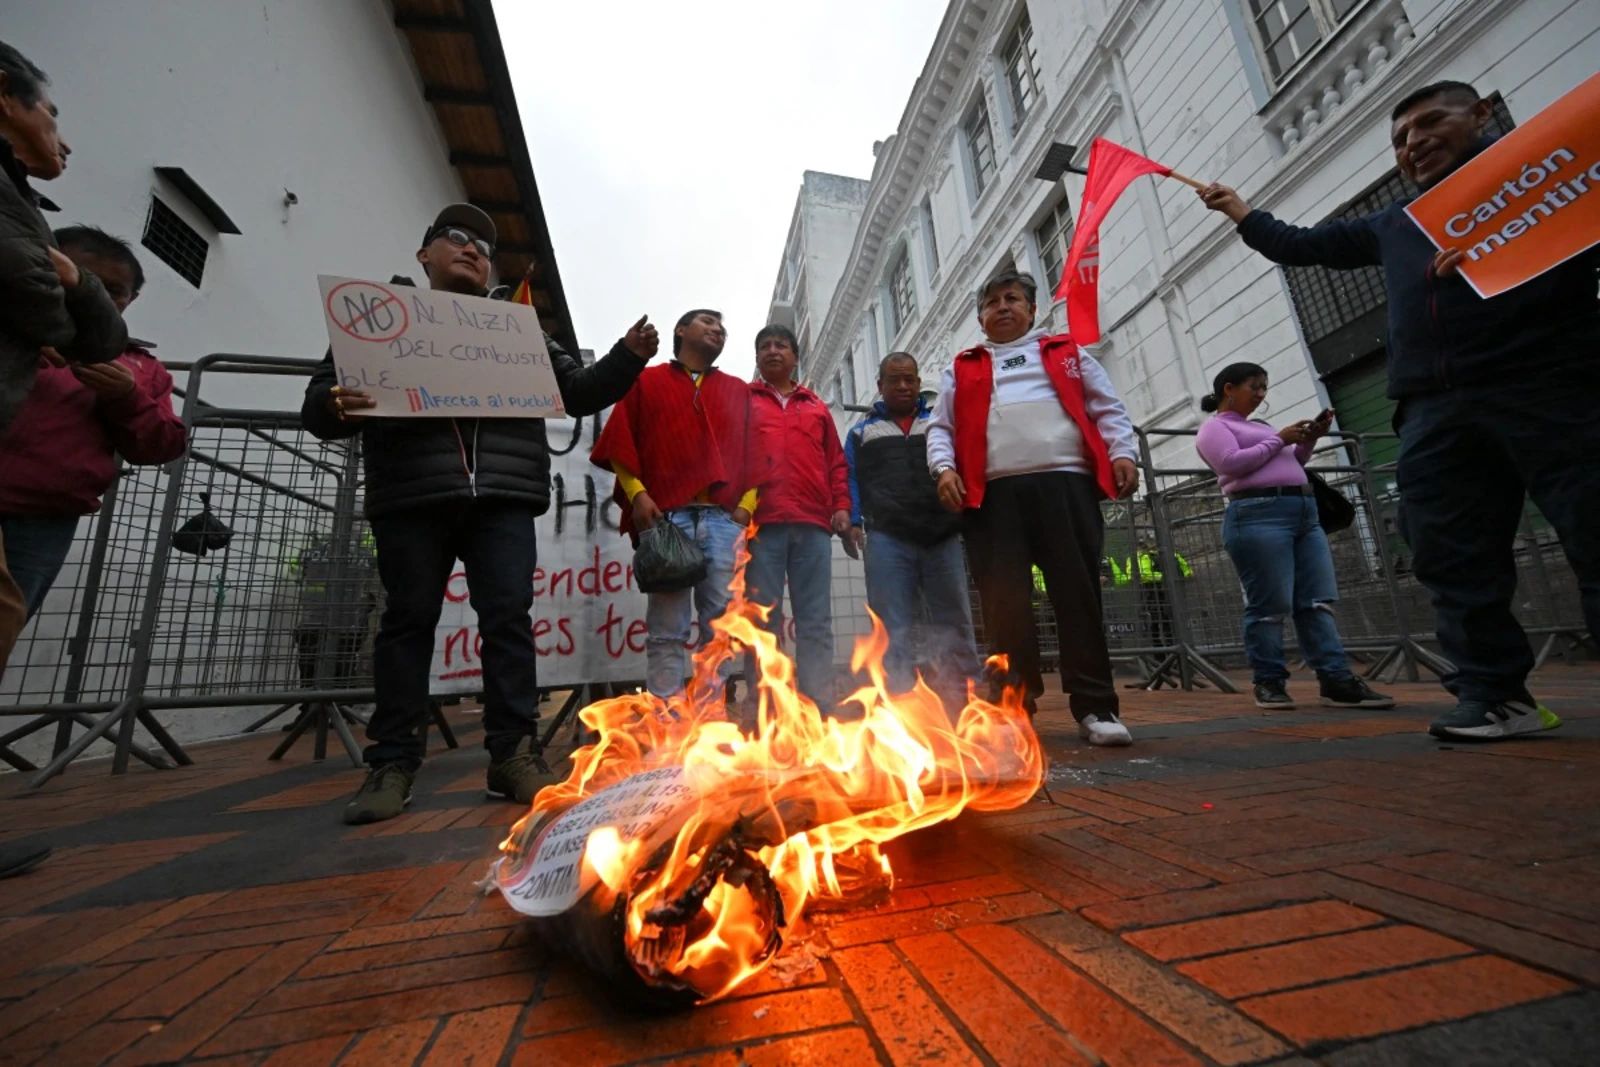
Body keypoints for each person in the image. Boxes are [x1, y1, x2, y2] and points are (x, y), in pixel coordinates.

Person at [1198, 79, 1594, 741]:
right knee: (1448, 550)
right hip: (1435, 408)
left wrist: (1505, 246)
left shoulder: (1548, 182)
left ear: (1483, 113)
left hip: (1551, 387)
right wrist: (1241, 212)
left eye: (1430, 123)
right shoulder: (1399, 225)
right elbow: (1305, 246)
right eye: (1401, 140)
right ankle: (1496, 695)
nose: (1414, 145)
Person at [302, 203, 653, 823]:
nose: (473, 250)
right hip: (412, 496)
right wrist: (335, 404)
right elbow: (319, 405)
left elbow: (577, 392)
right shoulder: (378, 318)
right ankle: (392, 763)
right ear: (424, 256)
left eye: (484, 246)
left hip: (502, 497)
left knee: (508, 623)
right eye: (456, 238)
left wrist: (626, 356)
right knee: (407, 624)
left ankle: (514, 754)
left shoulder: (519, 327)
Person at [926, 270, 1137, 746]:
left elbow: (1109, 409)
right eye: (991, 302)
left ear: (1032, 309)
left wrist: (1123, 453)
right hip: (993, 497)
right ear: (980, 317)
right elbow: (941, 428)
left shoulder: (1069, 355)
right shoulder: (961, 366)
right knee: (1004, 607)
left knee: (1078, 597)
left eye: (1012, 299)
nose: (1002, 307)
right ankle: (1012, 710)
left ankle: (1096, 706)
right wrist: (943, 469)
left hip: (1067, 488)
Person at [0, 41, 127, 673]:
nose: (64, 140)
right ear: (5, 96)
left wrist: (74, 288)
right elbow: (41, 303)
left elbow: (85, 336)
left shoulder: (21, 210)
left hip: (46, 507)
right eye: (52, 112)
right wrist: (67, 297)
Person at [0, 227, 186, 619]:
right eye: (83, 278)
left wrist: (128, 397)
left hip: (40, 521)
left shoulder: (141, 368)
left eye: (114, 290)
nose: (95, 295)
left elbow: (163, 445)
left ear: (131, 300)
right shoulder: (11, 329)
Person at [1194, 363, 1395, 710]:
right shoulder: (1214, 428)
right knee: (1269, 605)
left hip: (1302, 511)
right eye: (1254, 387)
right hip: (1257, 514)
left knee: (1316, 600)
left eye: (1263, 388)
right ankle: (1269, 681)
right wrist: (1280, 438)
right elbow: (1231, 464)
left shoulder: (1259, 426)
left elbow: (1291, 462)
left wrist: (1309, 439)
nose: (1260, 395)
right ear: (1229, 389)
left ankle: (1336, 679)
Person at [589, 309, 756, 700]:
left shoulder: (737, 390)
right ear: (681, 330)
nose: (717, 329)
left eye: (722, 327)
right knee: (666, 627)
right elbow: (619, 443)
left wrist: (745, 507)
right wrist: (637, 494)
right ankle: (664, 718)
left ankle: (709, 718)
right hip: (667, 519)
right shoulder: (645, 381)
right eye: (707, 322)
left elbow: (758, 454)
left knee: (719, 629)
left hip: (723, 520)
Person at [844, 352, 980, 705]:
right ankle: (898, 702)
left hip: (942, 535)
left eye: (909, 379)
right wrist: (854, 520)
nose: (903, 386)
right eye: (894, 380)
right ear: (880, 386)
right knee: (891, 625)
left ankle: (964, 699)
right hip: (887, 538)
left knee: (955, 618)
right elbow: (850, 479)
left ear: (919, 383)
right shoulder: (861, 433)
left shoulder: (939, 424)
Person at [745, 324, 851, 712]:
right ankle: (764, 708)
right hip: (760, 526)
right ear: (757, 357)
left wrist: (841, 506)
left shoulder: (816, 406)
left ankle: (817, 705)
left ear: (795, 356)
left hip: (813, 525)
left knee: (816, 620)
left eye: (782, 346)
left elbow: (836, 463)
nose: (773, 351)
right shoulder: (743, 401)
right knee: (762, 621)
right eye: (765, 346)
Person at [1124, 537, 1192, 651]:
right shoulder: (1137, 558)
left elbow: (1187, 572)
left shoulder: (1159, 556)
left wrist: (1170, 577)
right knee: (1155, 623)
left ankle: (1173, 652)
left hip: (1164, 590)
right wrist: (1166, 577)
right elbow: (1140, 575)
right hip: (1151, 591)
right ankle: (1162, 654)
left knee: (1168, 621)